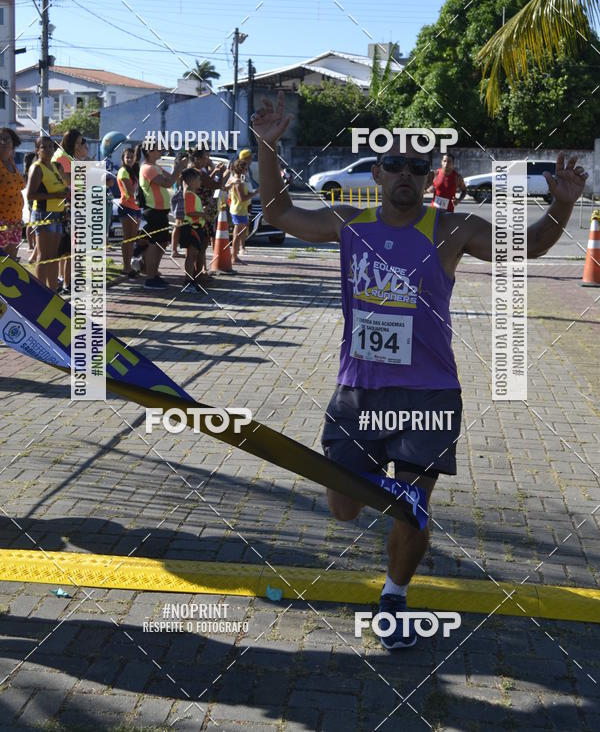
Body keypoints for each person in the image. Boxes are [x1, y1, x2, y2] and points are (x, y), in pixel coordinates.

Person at [255, 92, 587, 650]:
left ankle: (394, 591)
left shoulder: (453, 230)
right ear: (378, 173)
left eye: (417, 166)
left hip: (429, 396)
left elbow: (530, 245)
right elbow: (278, 212)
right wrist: (266, 146)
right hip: (356, 393)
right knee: (342, 506)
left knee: (411, 508)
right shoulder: (348, 221)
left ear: (430, 175)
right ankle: (394, 488)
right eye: (394, 165)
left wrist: (562, 205)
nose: (405, 174)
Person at [139, 143, 187, 289]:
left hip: (161, 211)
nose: (161, 150)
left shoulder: (156, 166)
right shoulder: (148, 168)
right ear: (149, 151)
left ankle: (153, 273)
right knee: (154, 244)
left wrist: (180, 166)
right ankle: (150, 277)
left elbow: (174, 179)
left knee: (162, 243)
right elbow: (167, 183)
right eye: (158, 148)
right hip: (153, 211)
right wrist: (178, 168)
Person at [25, 136, 68, 291]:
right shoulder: (37, 167)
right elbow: (30, 195)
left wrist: (64, 193)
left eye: (51, 147)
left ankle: (53, 290)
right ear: (37, 150)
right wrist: (55, 196)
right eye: (44, 147)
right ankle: (39, 293)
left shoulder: (54, 167)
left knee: (54, 256)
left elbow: (59, 188)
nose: (48, 150)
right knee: (43, 257)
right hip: (43, 214)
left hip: (57, 215)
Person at [52, 129, 90, 294]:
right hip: (68, 206)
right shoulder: (63, 157)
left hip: (70, 204)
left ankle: (64, 280)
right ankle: (66, 283)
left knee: (67, 249)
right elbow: (70, 181)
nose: (78, 146)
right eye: (77, 142)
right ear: (69, 141)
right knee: (68, 249)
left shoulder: (66, 157)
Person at [190, 147, 228, 272]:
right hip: (203, 212)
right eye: (205, 158)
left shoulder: (192, 171)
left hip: (197, 210)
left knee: (195, 247)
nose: (207, 160)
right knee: (201, 246)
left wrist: (214, 170)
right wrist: (222, 173)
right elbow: (216, 185)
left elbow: (208, 181)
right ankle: (197, 275)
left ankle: (199, 272)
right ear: (198, 159)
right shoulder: (199, 173)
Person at [227, 150, 258, 265]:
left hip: (240, 210)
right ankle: (234, 257)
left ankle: (235, 256)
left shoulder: (237, 179)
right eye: (245, 168)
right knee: (237, 235)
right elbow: (242, 198)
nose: (246, 170)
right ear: (241, 169)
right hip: (238, 210)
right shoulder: (238, 182)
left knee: (240, 234)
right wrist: (256, 193)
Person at [180, 167, 208, 292]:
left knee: (194, 255)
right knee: (191, 256)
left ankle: (191, 280)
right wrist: (203, 214)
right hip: (192, 228)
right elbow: (190, 212)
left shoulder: (192, 194)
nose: (200, 182)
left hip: (197, 227)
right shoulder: (189, 195)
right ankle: (188, 281)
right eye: (198, 180)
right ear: (191, 181)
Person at [117, 144, 142, 278]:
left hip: (136, 208)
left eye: (132, 157)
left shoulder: (133, 171)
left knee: (132, 239)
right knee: (128, 239)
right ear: (123, 158)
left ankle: (130, 266)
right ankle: (126, 267)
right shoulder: (123, 171)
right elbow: (130, 191)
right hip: (127, 207)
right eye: (127, 157)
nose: (130, 159)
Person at [0, 127, 25, 260]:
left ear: (13, 143)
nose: (3, 142)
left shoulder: (11, 162)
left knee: (11, 263)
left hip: (15, 222)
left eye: (6, 139)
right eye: (0, 139)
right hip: (2, 223)